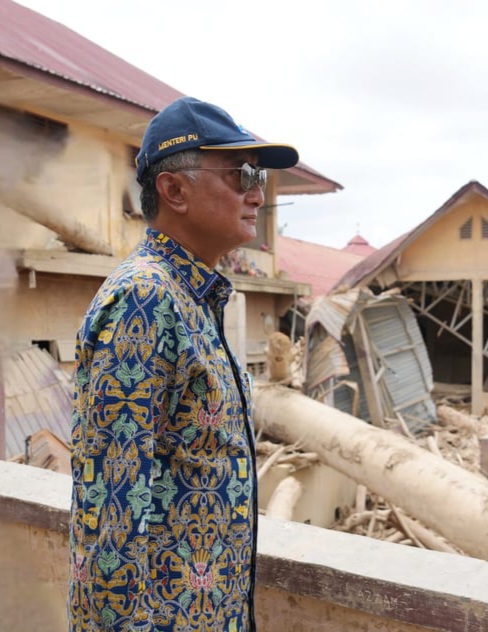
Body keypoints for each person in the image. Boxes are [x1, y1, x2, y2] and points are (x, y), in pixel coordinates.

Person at [68, 97, 298, 631]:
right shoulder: (144, 300)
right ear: (174, 190)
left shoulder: (192, 298)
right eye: (241, 174)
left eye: (258, 176)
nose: (257, 194)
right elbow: (110, 509)